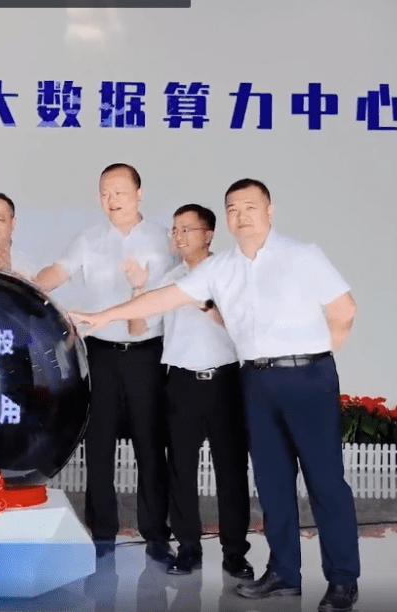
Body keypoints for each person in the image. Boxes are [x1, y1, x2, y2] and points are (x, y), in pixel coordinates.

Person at [69, 179, 360, 612]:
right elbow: (163, 298)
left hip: (307, 376)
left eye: (250, 207)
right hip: (256, 381)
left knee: (325, 481)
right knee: (272, 481)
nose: (242, 216)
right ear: (225, 219)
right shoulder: (221, 268)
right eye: (233, 209)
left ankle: (342, 580)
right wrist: (103, 316)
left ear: (269, 210)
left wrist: (318, 358)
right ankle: (284, 572)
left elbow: (344, 309)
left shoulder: (303, 255)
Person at [33, 163, 179, 563]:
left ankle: (156, 535)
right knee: (98, 445)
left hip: (147, 354)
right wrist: (27, 284)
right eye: (104, 193)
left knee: (150, 445)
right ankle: (102, 535)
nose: (111, 200)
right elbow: (58, 271)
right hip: (99, 353)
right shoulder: (89, 238)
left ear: (139, 194)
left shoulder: (163, 239)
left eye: (119, 192)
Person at [156, 204, 253, 579]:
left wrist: (209, 306)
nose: (178, 236)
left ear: (208, 235)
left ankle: (235, 554)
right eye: (175, 230)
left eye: (186, 229)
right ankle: (188, 549)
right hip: (180, 383)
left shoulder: (230, 274)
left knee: (231, 470)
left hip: (224, 382)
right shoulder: (171, 280)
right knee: (181, 470)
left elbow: (245, 327)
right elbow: (148, 325)